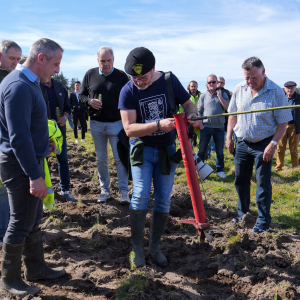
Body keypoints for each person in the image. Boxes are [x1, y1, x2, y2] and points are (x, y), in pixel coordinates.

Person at [119, 47, 201, 268]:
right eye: (134, 78)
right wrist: (157, 125)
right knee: (140, 195)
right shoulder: (127, 91)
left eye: (143, 77)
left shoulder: (168, 80)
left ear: (153, 69)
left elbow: (188, 103)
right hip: (142, 150)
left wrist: (192, 115)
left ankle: (155, 247)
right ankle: (137, 248)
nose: (139, 82)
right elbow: (129, 129)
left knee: (164, 199)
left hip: (166, 151)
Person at [0, 38, 66, 296]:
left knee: (33, 219)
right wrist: (34, 176)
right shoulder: (18, 86)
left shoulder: (30, 83)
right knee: (19, 222)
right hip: (20, 166)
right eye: (55, 63)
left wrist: (44, 142)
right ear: (41, 58)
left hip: (30, 160)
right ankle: (10, 280)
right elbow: (17, 137)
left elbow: (27, 127)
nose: (58, 70)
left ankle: (36, 268)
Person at [226, 56, 292, 233]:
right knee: (240, 180)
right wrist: (229, 137)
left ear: (263, 72)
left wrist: (273, 144)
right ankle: (243, 214)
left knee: (263, 183)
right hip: (241, 142)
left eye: (253, 77)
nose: (249, 81)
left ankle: (263, 221)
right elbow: (232, 115)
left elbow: (283, 122)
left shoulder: (276, 92)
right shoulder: (239, 89)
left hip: (264, 144)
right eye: (247, 77)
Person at [79, 46, 130, 204]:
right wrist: (89, 101)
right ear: (98, 61)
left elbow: (131, 95)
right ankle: (105, 190)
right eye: (103, 61)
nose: (106, 64)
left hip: (117, 124)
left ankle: (123, 191)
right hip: (96, 124)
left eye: (109, 60)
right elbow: (81, 95)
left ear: (113, 60)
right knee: (101, 159)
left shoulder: (122, 76)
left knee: (119, 159)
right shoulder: (90, 74)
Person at [0, 40, 22, 248]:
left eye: (18, 59)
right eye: (11, 58)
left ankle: (5, 231)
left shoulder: (16, 78)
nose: (15, 63)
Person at [41, 77, 76, 202]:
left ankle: (65, 189)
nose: (55, 70)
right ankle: (44, 191)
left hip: (59, 131)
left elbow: (67, 108)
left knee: (63, 158)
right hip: (41, 131)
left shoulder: (60, 86)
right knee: (42, 161)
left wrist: (64, 117)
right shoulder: (36, 85)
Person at [198, 74, 230, 178]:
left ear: (217, 83)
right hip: (206, 127)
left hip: (219, 128)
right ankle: (200, 170)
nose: (212, 84)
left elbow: (227, 107)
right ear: (207, 84)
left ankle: (220, 170)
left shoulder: (223, 94)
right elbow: (199, 112)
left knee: (220, 151)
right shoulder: (203, 96)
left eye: (214, 82)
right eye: (209, 82)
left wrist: (219, 96)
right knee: (202, 150)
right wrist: (201, 125)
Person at [275, 81, 300, 171]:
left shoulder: (299, 98)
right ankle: (278, 167)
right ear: (284, 89)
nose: (290, 89)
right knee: (280, 148)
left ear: (295, 88)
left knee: (293, 149)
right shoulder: (280, 99)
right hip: (281, 126)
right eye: (288, 88)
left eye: (292, 87)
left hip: (294, 126)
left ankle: (295, 168)